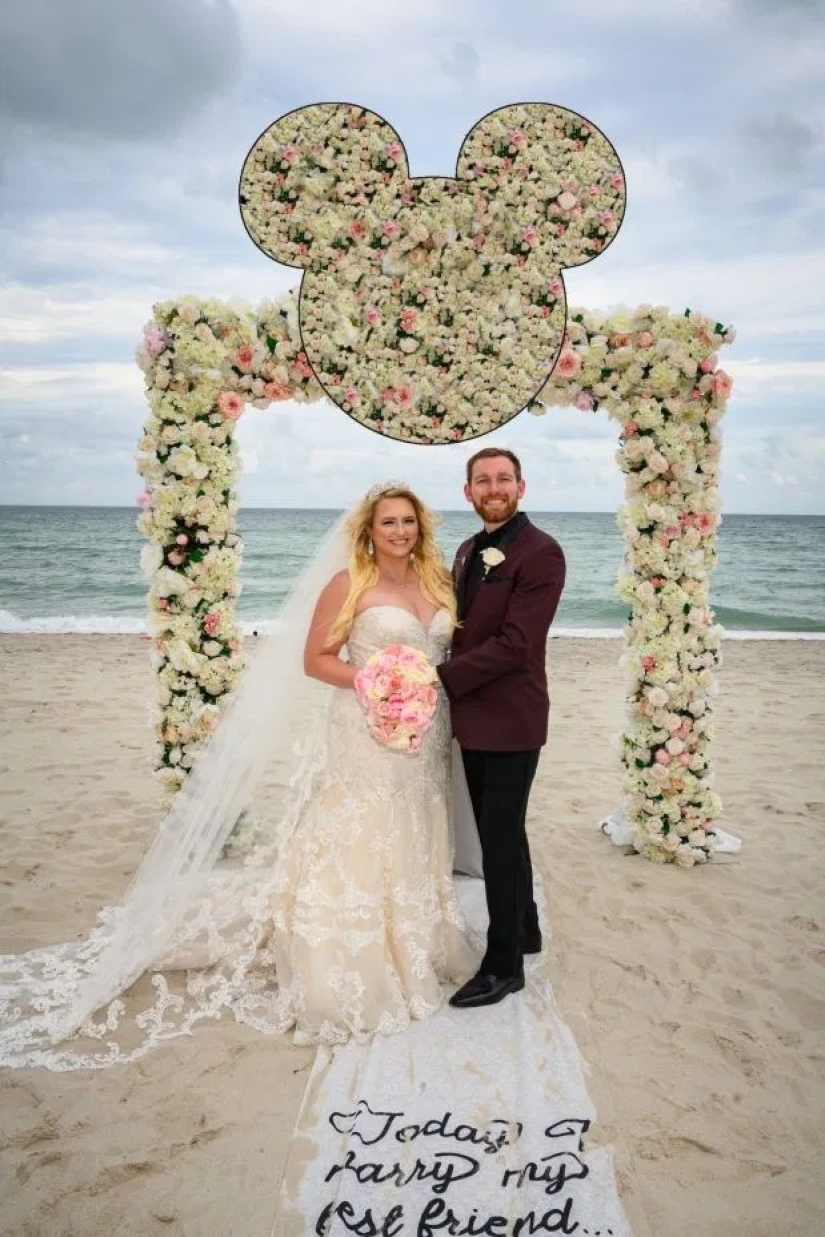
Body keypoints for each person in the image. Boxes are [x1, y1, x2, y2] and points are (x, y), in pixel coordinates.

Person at [0, 482, 474, 1069]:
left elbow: (451, 654)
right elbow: (316, 659)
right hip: (366, 723)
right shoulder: (348, 583)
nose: (400, 531)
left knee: (416, 821)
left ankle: (414, 941)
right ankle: (345, 955)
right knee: (360, 824)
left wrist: (418, 690)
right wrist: (378, 682)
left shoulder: (436, 583)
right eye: (388, 523)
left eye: (408, 521)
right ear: (368, 532)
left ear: (420, 527)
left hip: (428, 728)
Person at [437, 448, 567, 1009]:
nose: (494, 487)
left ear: (521, 486)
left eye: (504, 479)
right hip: (473, 716)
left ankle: (504, 964)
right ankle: (528, 928)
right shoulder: (466, 550)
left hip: (512, 718)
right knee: (505, 833)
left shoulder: (542, 552)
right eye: (482, 480)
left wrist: (437, 677)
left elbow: (517, 645)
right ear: (468, 491)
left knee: (498, 840)